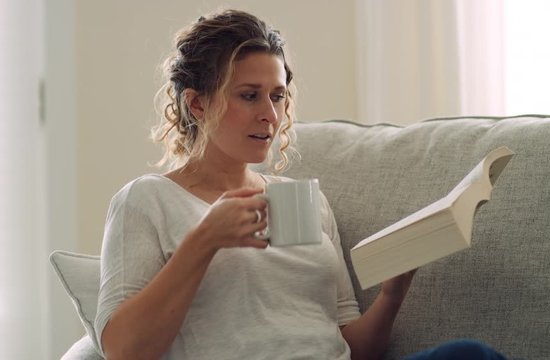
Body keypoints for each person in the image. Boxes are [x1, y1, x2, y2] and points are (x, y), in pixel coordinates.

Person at [95, 9, 507, 360]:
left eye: (277, 96)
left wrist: (392, 294)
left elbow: (350, 346)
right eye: (249, 95)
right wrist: (205, 240)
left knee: (471, 354)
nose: (270, 116)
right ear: (197, 103)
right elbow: (122, 349)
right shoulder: (146, 200)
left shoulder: (307, 200)